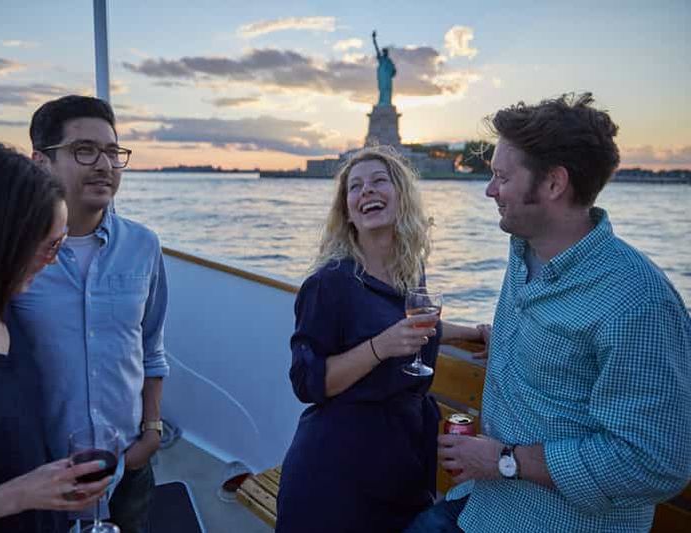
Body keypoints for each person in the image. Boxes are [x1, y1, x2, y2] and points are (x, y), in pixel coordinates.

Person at [404, 93, 691, 533]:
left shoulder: (638, 304)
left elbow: (656, 461)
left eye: (501, 176)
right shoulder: (524, 249)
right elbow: (564, 339)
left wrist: (505, 460)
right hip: (481, 506)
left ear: (554, 184)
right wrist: (508, 342)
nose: (490, 189)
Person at [0, 95, 170, 533]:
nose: (105, 164)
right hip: (45, 479)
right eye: (85, 150)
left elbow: (150, 346)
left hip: (119, 470)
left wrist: (149, 437)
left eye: (113, 152)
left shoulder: (142, 248)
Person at [276, 146, 490, 533]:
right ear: (347, 209)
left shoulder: (409, 271)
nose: (366, 191)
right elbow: (307, 383)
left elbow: (418, 327)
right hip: (338, 473)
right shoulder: (329, 283)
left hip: (404, 461)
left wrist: (474, 333)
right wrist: (379, 348)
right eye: (355, 187)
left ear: (401, 195)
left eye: (379, 181)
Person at [372, 30, 396, 106]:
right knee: (383, 90)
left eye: (386, 52)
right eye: (384, 52)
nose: (385, 53)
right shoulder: (381, 59)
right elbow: (376, 49)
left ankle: (387, 102)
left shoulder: (389, 61)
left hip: (388, 78)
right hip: (383, 77)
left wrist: (393, 72)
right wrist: (374, 39)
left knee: (388, 90)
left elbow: (393, 70)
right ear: (383, 53)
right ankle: (382, 102)